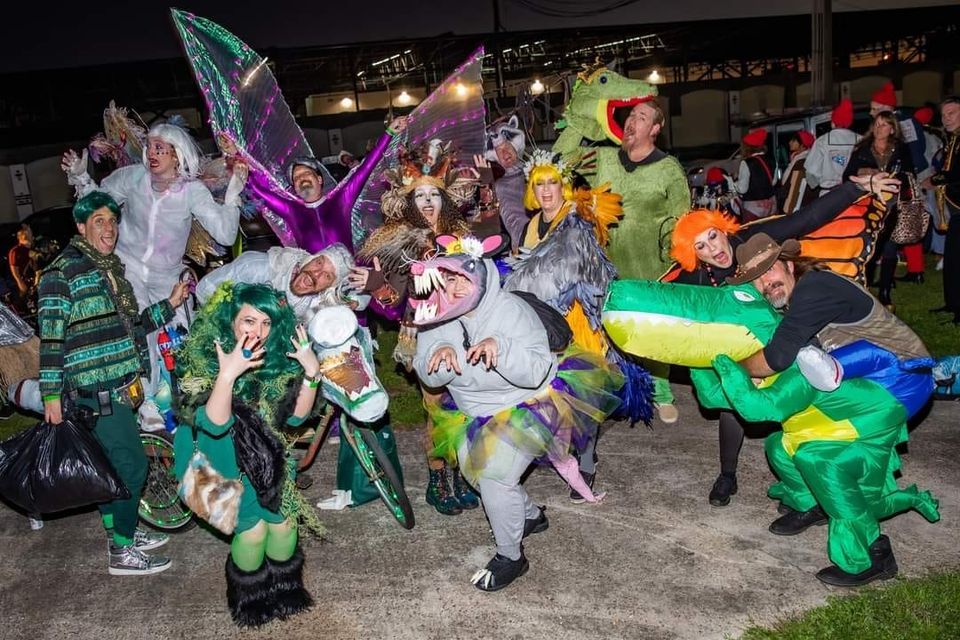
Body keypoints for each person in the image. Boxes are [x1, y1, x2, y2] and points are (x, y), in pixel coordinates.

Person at [666, 175, 898, 506]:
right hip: (744, 342)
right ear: (693, 255)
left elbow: (805, 219)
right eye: (700, 246)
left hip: (788, 331)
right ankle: (727, 474)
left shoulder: (753, 240)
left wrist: (857, 188)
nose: (713, 249)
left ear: (724, 229)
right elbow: (670, 307)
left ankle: (810, 471)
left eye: (713, 237)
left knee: (809, 391)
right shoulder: (698, 278)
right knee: (734, 393)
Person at [725, 232, 938, 586]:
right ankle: (814, 503)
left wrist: (735, 365)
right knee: (781, 445)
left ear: (790, 264)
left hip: (897, 383)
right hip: (862, 385)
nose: (765, 283)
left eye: (769, 270)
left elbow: (777, 358)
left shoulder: (814, 288)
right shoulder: (799, 296)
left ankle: (873, 555)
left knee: (821, 459)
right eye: (756, 280)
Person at [409, 244, 621, 591]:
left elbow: (536, 372)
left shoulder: (511, 310)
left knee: (494, 477)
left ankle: (511, 558)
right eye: (446, 280)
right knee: (476, 475)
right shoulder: (436, 315)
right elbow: (428, 374)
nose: (453, 288)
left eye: (461, 278)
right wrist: (438, 353)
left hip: (527, 404)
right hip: (474, 410)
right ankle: (530, 516)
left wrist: (501, 350)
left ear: (480, 278)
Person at [38, 191, 190, 576]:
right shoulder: (62, 272)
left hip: (122, 385)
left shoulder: (110, 269)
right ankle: (122, 552)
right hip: (96, 391)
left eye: (113, 220)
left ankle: (118, 533)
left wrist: (170, 304)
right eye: (99, 221)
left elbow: (131, 327)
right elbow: (52, 339)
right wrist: (51, 394)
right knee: (132, 467)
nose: (109, 228)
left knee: (107, 469)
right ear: (81, 227)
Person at [61, 121, 248, 429]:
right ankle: (145, 402)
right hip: (127, 265)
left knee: (182, 340)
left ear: (177, 155)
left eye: (161, 148)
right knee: (142, 328)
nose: (152, 153)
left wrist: (233, 193)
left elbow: (227, 235)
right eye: (150, 147)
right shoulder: (132, 178)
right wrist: (81, 176)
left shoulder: (193, 193)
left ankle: (193, 404)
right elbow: (97, 206)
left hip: (167, 277)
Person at [174, 282, 323, 626]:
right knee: (253, 531)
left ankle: (285, 590)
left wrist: (312, 373)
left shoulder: (275, 360)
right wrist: (227, 375)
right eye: (249, 321)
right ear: (230, 321)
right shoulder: (202, 358)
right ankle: (249, 600)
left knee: (285, 527)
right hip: (215, 466)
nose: (259, 331)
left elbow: (297, 417)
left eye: (267, 323)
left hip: (263, 462)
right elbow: (214, 426)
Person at [348, 140, 480, 516]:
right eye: (418, 195)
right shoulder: (401, 244)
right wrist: (376, 285)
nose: (426, 201)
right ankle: (438, 480)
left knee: (463, 405)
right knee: (437, 407)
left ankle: (458, 475)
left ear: (444, 201)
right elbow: (393, 305)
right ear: (409, 202)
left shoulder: (461, 240)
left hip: (464, 332)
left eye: (433, 195)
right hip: (423, 335)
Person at [843, 111, 916, 305]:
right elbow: (847, 176)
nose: (879, 128)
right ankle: (865, 289)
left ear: (892, 128)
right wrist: (865, 171)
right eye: (876, 124)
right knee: (869, 246)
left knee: (890, 247)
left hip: (893, 203)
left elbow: (909, 175)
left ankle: (884, 292)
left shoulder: (900, 148)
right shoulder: (862, 148)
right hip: (868, 204)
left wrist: (891, 178)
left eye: (884, 124)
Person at [196, 243, 367, 323]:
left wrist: (355, 301)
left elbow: (362, 297)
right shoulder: (259, 267)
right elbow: (205, 289)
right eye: (319, 263)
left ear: (329, 287)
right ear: (310, 258)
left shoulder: (317, 302)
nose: (316, 273)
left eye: (328, 276)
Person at [928, 96, 960, 324]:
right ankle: (953, 303)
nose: (946, 118)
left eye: (952, 113)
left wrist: (935, 179)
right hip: (954, 206)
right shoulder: (951, 139)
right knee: (952, 258)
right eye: (944, 114)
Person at [484, 115, 528, 250]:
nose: (505, 153)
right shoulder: (501, 186)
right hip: (527, 245)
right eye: (499, 151)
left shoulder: (538, 171)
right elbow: (513, 221)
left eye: (507, 146)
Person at [804, 98, 862, 196]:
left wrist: (815, 185)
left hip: (828, 195)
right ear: (849, 123)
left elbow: (811, 173)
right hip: (855, 193)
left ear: (833, 122)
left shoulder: (822, 141)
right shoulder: (861, 140)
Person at [736, 128, 777, 221]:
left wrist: (735, 184)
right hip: (771, 205)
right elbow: (773, 182)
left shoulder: (746, 163)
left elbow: (742, 189)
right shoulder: (771, 160)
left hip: (753, 208)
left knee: (753, 234)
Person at [778, 130, 815, 213]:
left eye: (794, 140)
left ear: (802, 144)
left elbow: (788, 182)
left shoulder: (800, 161)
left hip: (797, 204)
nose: (790, 142)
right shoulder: (808, 157)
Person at [7, 224, 38, 315]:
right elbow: (14, 268)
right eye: (29, 233)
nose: (32, 235)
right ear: (24, 236)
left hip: (31, 283)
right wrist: (20, 282)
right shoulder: (16, 251)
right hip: (21, 285)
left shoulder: (31, 249)